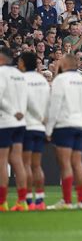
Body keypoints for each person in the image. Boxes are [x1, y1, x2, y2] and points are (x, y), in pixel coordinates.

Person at [46, 54, 82, 210]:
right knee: (78, 163)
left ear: (64, 64)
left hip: (65, 125)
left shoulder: (60, 80)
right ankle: (80, 201)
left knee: (65, 164)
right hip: (81, 125)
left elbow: (55, 105)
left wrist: (49, 128)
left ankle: (66, 201)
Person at [18, 52, 49, 211]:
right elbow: (48, 102)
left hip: (27, 126)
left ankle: (28, 201)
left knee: (25, 165)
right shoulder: (43, 80)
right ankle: (41, 201)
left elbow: (26, 102)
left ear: (23, 63)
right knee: (37, 166)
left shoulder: (22, 80)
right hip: (40, 128)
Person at [0, 47, 28, 211]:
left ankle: (2, 202)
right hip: (20, 123)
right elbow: (25, 97)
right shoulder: (19, 74)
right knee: (17, 160)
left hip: (5, 121)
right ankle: (22, 202)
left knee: (2, 161)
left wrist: (12, 112)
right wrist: (20, 113)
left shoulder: (1, 73)